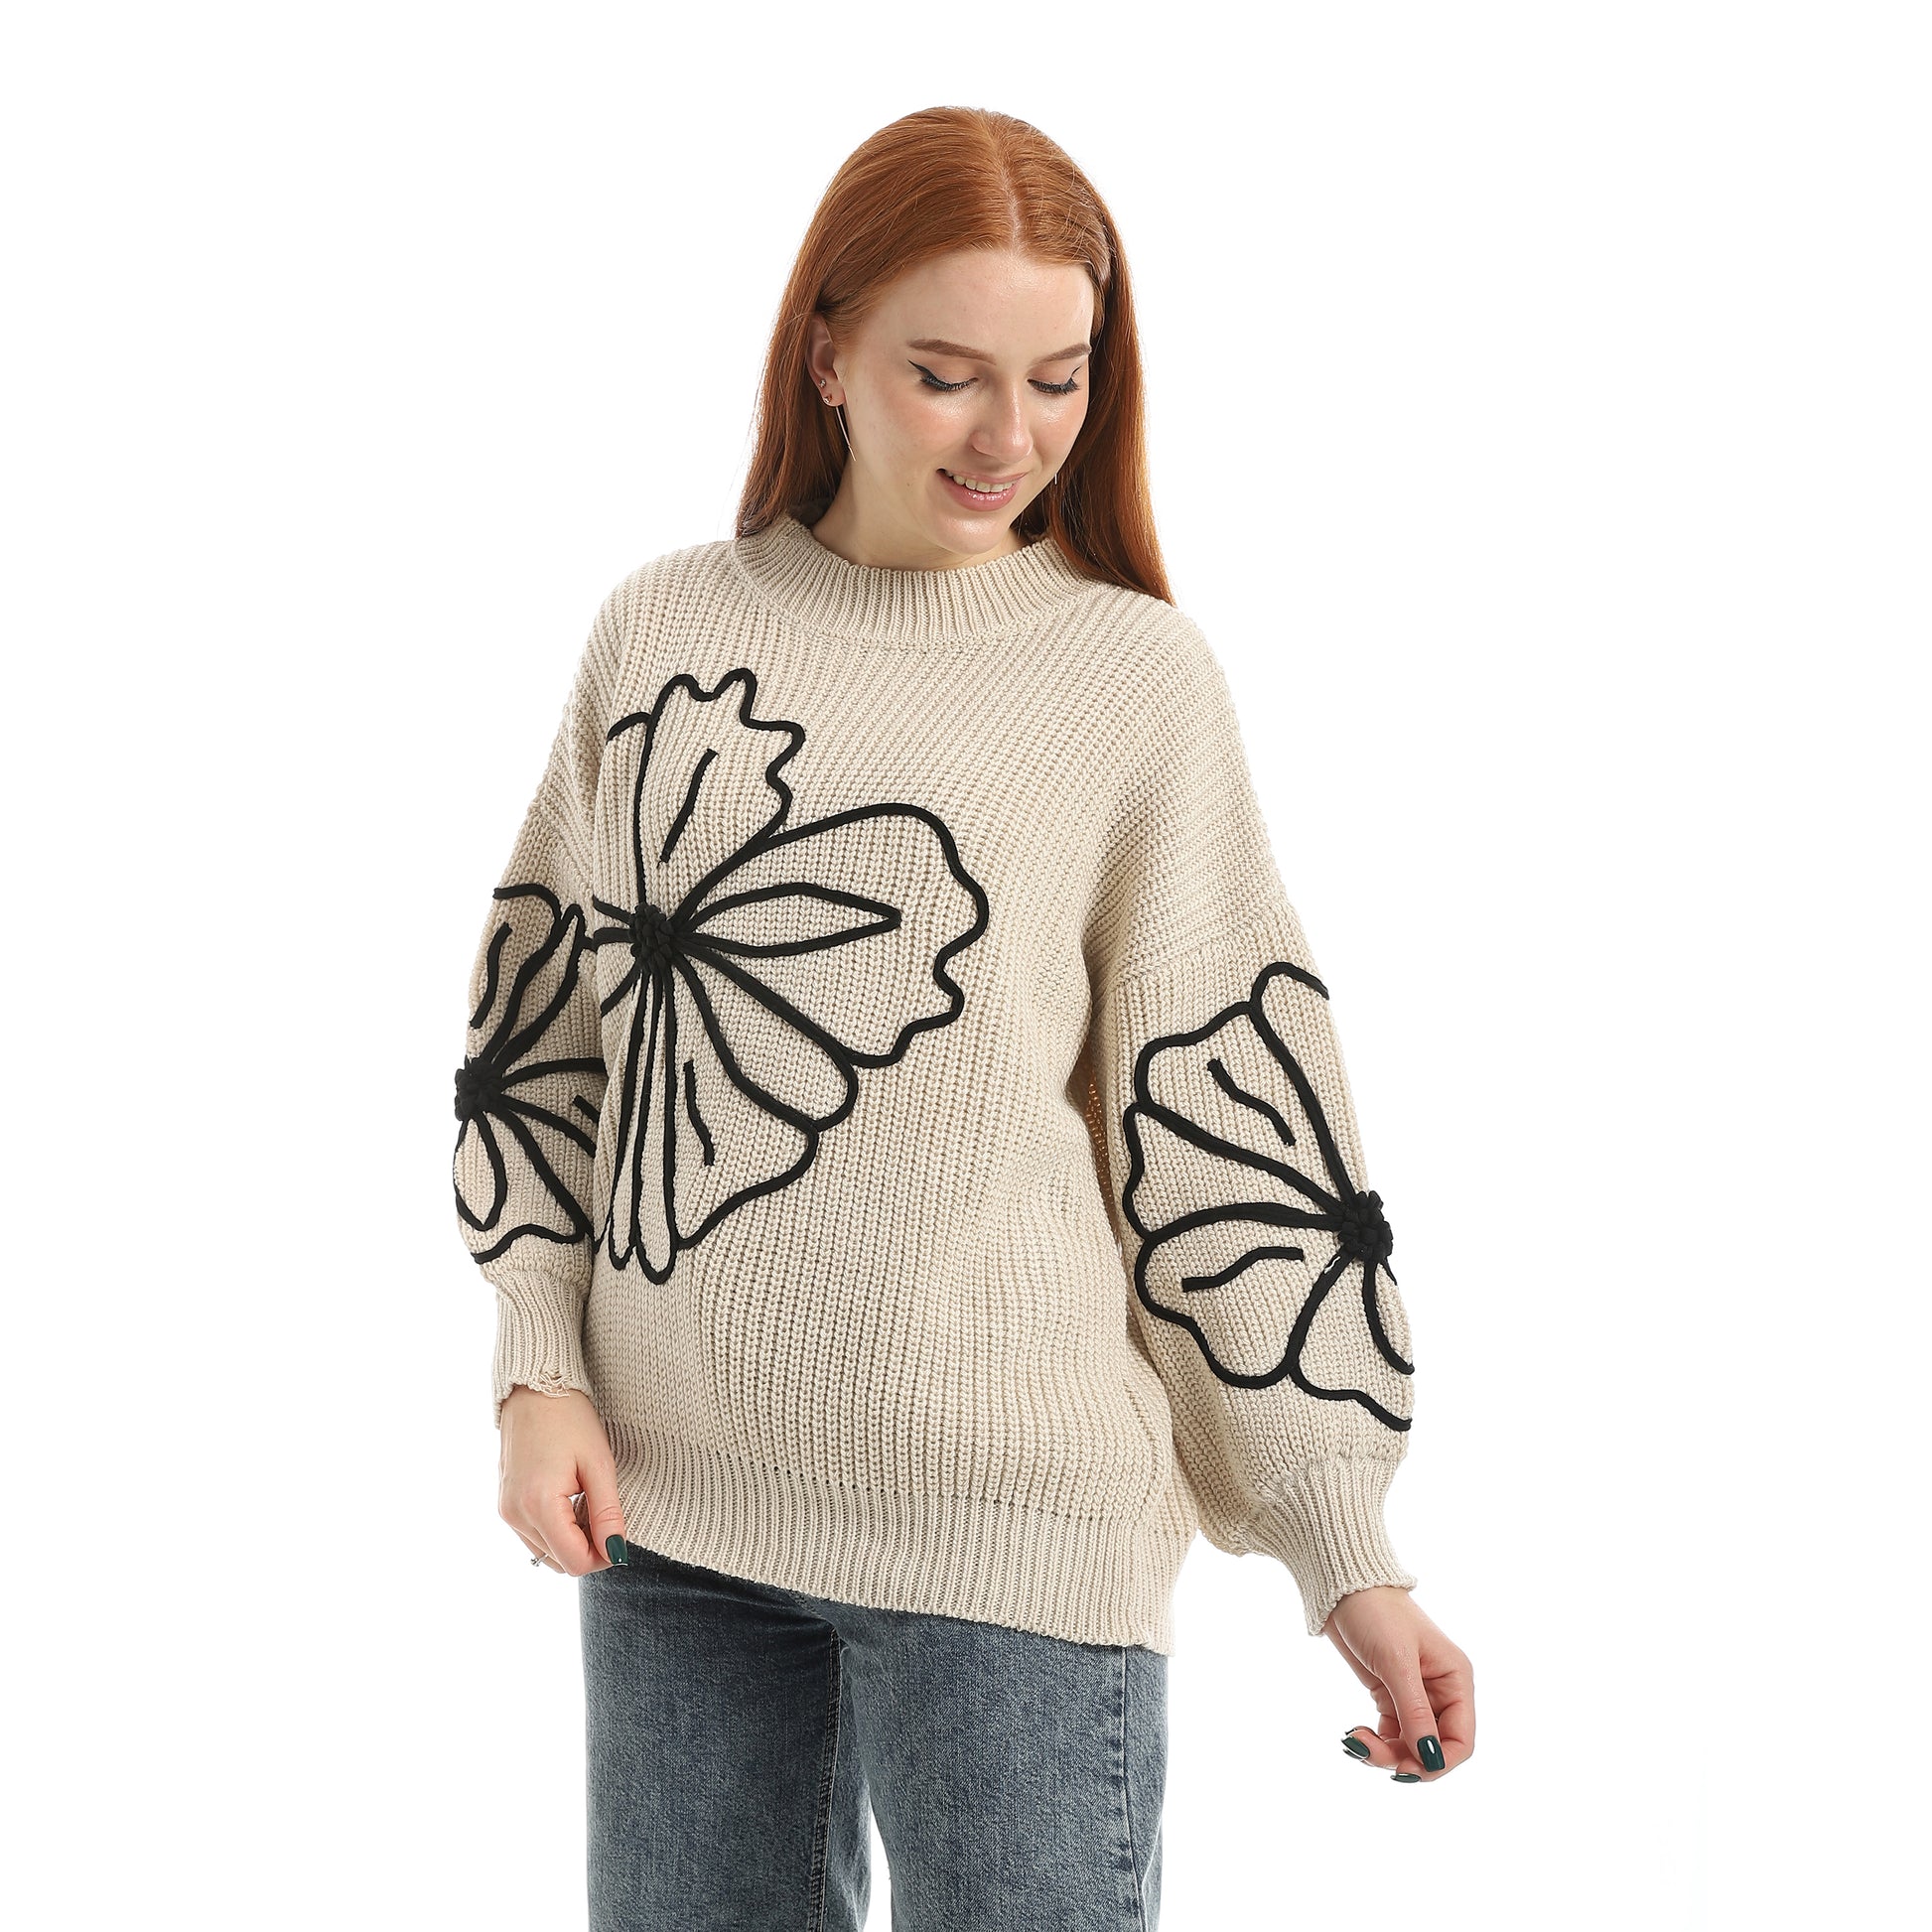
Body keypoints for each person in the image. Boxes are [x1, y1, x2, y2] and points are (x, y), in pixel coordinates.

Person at [451, 103, 1474, 1932]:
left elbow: (1221, 1116)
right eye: (946, 375)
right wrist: (540, 1362)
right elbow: (550, 1031)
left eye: (1058, 379)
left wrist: (1343, 1548)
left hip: (1013, 1539)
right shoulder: (659, 633)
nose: (1010, 436)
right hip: (670, 1521)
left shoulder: (1130, 679)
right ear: (826, 352)